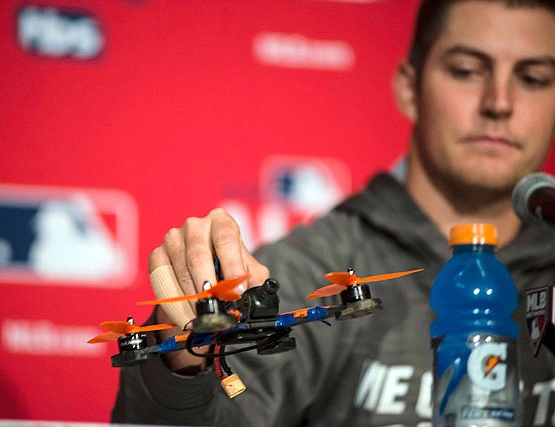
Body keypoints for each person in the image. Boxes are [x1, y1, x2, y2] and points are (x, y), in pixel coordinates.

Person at [112, 0, 555, 425]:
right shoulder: (310, 272)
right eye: (466, 71)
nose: (500, 103)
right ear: (409, 87)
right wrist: (179, 359)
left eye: (533, 78)